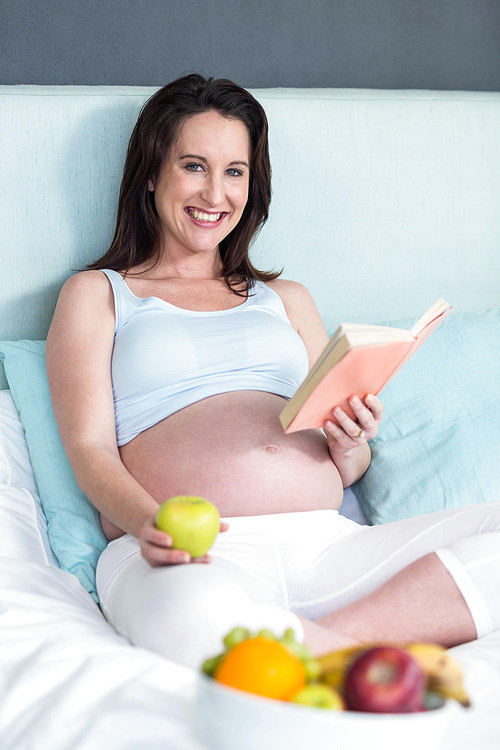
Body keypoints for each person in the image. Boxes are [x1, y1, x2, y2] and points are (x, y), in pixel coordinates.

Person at [47, 74, 500, 669]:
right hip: (189, 554)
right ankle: (349, 647)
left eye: (235, 171)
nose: (216, 193)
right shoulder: (98, 294)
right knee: (192, 616)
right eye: (193, 166)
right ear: (152, 174)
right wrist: (148, 524)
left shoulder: (285, 298)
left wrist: (350, 440)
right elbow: (88, 449)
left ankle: (292, 653)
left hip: (324, 547)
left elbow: (353, 465)